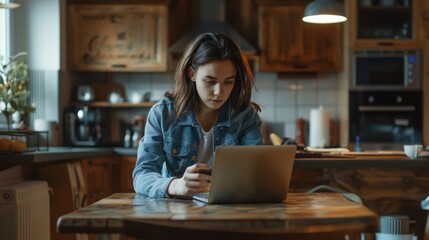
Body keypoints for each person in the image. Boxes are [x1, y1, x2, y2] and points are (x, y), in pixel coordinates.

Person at [132, 32, 262, 198]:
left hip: (228, 207)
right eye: (210, 81)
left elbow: (256, 174)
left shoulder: (246, 116)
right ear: (191, 74)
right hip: (174, 210)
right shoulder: (162, 113)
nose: (219, 92)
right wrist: (174, 185)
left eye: (228, 81)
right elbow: (142, 175)